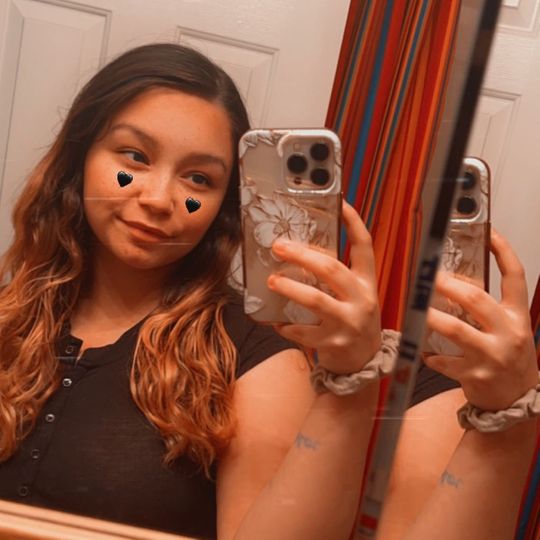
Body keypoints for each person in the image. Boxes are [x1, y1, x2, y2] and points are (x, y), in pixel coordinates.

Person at [0, 43, 537, 540]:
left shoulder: (251, 355)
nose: (159, 198)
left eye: (199, 180)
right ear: (80, 157)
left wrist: (352, 379)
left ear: (223, 205)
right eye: (134, 157)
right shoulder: (10, 315)